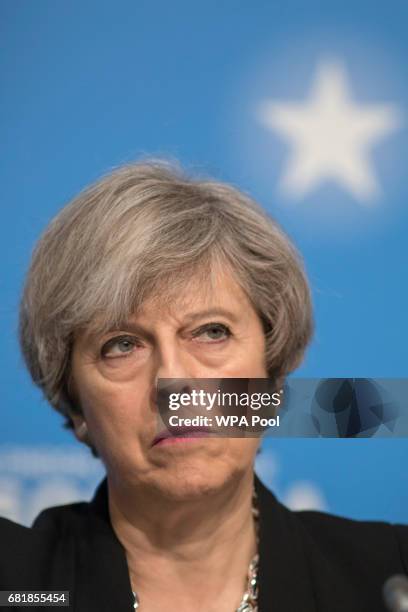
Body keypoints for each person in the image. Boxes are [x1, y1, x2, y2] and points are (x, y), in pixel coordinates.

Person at [0, 160, 406, 612]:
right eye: (122, 345)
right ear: (76, 405)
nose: (174, 383)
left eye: (212, 332)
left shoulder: (388, 580)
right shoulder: (17, 587)